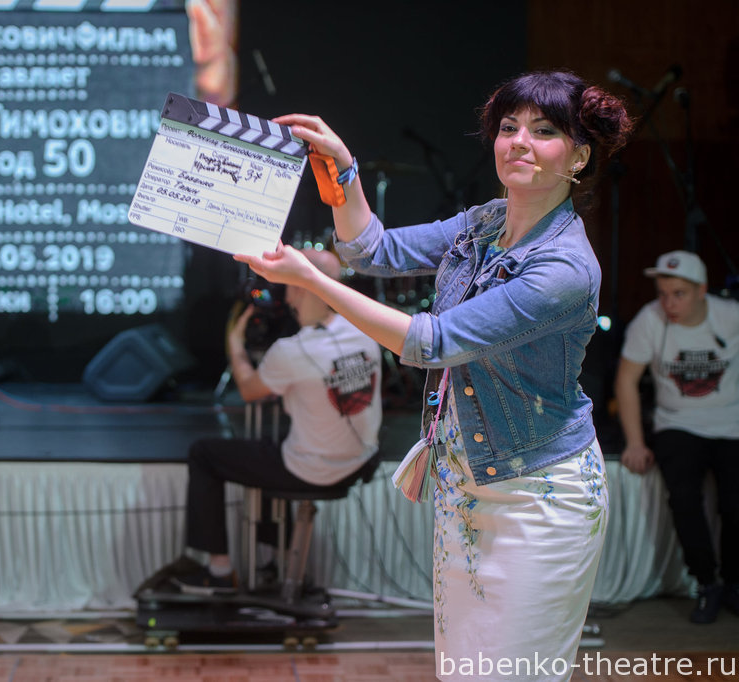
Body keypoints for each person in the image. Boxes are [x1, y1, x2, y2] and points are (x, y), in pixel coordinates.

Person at [235, 71, 632, 680]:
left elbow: (433, 342)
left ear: (579, 156)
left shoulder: (565, 267)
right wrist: (344, 170)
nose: (519, 142)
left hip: (538, 497)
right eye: (509, 127)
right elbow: (371, 250)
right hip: (463, 485)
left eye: (544, 131)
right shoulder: (485, 222)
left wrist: (313, 280)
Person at [152, 248, 382, 595]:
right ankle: (278, 559)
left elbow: (249, 389)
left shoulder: (291, 351)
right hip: (362, 460)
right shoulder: (367, 330)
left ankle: (219, 571)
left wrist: (235, 344)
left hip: (314, 470)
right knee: (273, 451)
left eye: (287, 283)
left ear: (299, 287)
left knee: (204, 454)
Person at [615, 250, 739, 624]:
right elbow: (626, 381)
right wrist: (635, 443)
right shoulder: (649, 320)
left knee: (734, 503)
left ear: (701, 291)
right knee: (684, 499)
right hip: (677, 423)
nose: (669, 303)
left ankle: (734, 583)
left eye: (679, 294)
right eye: (663, 294)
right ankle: (706, 583)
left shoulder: (730, 316)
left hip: (732, 423)